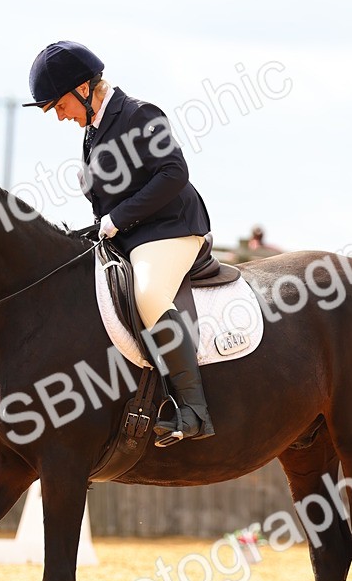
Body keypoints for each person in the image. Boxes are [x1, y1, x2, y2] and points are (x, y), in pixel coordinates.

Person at [24, 40, 213, 445]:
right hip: (130, 235)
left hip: (171, 228)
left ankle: (193, 410)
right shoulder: (93, 130)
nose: (61, 116)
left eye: (60, 106)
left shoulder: (139, 114)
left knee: (148, 294)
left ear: (83, 88)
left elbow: (174, 172)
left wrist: (116, 220)